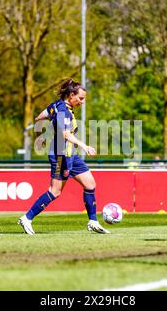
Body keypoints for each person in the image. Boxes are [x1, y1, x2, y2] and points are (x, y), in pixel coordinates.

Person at [18, 78, 110, 235]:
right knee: (55, 191)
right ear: (71, 95)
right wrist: (84, 146)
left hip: (70, 155)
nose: (82, 102)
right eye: (80, 98)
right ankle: (27, 218)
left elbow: (39, 117)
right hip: (61, 156)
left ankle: (93, 221)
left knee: (90, 184)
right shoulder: (64, 112)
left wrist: (40, 136)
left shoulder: (56, 105)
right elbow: (65, 134)